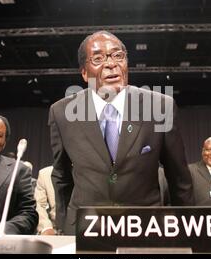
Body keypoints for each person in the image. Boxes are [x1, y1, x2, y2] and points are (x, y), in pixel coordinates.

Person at [49, 30, 193, 234]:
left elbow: (179, 178)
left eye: (118, 56)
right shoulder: (61, 112)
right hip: (84, 228)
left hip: (144, 227)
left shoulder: (160, 106)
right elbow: (61, 177)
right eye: (98, 58)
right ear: (84, 73)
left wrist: (187, 230)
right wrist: (64, 229)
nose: (110, 63)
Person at [34, 165, 57, 235]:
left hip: (83, 226)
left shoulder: (88, 171)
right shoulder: (45, 173)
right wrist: (46, 227)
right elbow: (39, 204)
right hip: (55, 230)